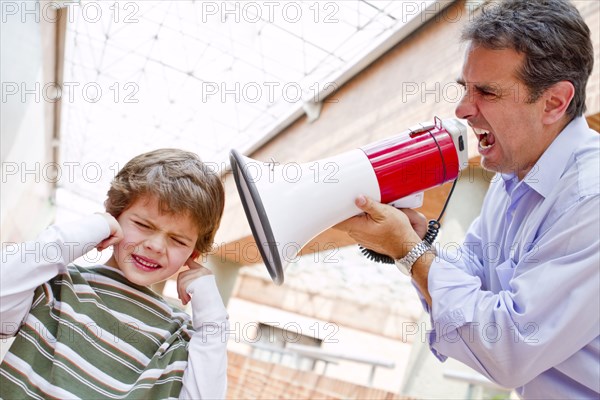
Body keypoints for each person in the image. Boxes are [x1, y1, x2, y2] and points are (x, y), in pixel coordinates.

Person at [336, 0, 599, 398]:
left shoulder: (590, 195)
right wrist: (417, 240)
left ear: (554, 103)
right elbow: (473, 276)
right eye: (465, 88)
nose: (462, 109)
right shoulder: (511, 181)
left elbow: (509, 346)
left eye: (487, 92)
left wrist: (409, 252)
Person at [0, 149, 228, 399]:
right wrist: (89, 228)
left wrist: (212, 319)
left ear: (193, 255)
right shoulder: (54, 286)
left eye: (177, 240)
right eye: (143, 225)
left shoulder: (180, 336)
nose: (156, 246)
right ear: (115, 214)